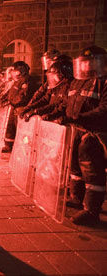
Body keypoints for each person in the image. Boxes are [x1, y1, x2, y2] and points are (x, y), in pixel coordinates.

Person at [51, 46, 107, 225]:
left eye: (90, 63)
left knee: (92, 171)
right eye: (83, 64)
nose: (86, 67)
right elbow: (65, 103)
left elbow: (104, 109)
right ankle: (77, 197)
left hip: (93, 135)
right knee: (75, 166)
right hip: (76, 131)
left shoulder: (103, 81)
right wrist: (60, 116)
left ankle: (91, 210)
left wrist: (78, 117)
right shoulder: (77, 82)